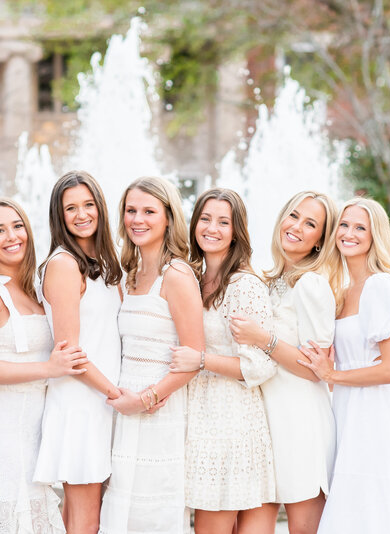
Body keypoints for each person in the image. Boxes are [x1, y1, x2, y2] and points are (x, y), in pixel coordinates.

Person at [0, 197, 86, 533]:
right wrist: (49, 369)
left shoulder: (33, 289)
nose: (12, 236)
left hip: (31, 433)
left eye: (17, 226)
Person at [298, 197, 390, 534]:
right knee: (352, 504)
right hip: (346, 408)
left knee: (368, 502)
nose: (349, 233)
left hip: (375, 414)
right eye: (344, 225)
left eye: (360, 227)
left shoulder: (379, 286)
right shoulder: (343, 291)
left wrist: (331, 374)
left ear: (375, 236)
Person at [230, 191, 340, 534]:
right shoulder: (271, 281)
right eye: (293, 216)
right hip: (267, 424)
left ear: (320, 240)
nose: (296, 227)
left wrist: (263, 338)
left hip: (300, 423)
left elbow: (315, 370)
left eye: (310, 224)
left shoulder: (311, 285)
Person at [99, 177, 205, 534]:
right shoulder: (128, 274)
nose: (137, 219)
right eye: (131, 211)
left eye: (148, 211)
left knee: (151, 515)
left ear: (168, 219)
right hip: (124, 407)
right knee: (122, 514)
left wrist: (146, 399)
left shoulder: (176, 275)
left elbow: (194, 358)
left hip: (160, 410)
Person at [169, 188, 277, 534]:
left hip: (232, 422)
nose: (211, 228)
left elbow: (260, 366)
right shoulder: (193, 279)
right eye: (205, 218)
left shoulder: (243, 285)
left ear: (236, 231)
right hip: (201, 418)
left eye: (223, 221)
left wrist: (201, 360)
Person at [33, 171, 123, 534]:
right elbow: (69, 353)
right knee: (87, 520)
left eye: (88, 204)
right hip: (82, 402)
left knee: (80, 515)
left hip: (98, 398)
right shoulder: (64, 264)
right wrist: (115, 393)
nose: (82, 214)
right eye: (71, 208)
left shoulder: (99, 264)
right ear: (59, 216)